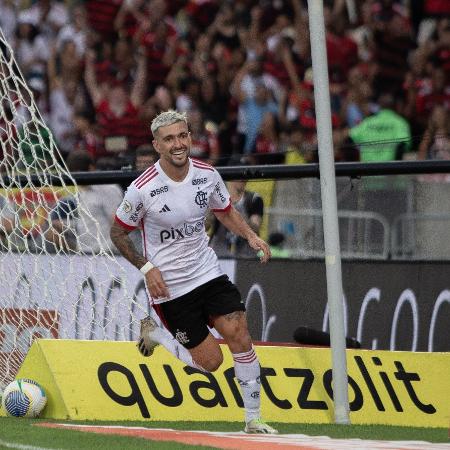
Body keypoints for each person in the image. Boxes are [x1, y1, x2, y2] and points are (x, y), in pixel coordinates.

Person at [110, 110, 277, 434]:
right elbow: (117, 233)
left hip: (207, 272)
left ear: (190, 137)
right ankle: (156, 333)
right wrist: (147, 267)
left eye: (183, 136)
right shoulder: (142, 188)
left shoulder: (207, 174)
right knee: (212, 363)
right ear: (157, 145)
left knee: (240, 335)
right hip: (170, 288)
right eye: (169, 138)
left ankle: (253, 418)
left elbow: (224, 211)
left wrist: (251, 236)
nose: (178, 144)